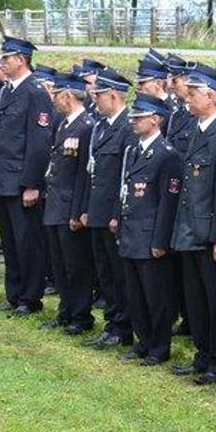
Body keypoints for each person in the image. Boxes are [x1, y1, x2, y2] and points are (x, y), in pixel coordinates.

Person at [169, 68, 216, 384]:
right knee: (197, 302)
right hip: (190, 231)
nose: (188, 96)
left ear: (211, 96)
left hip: (211, 235)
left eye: (194, 92)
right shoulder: (198, 130)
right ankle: (203, 354)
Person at [114, 93, 183, 365]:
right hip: (132, 232)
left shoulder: (167, 155)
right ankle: (144, 340)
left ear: (155, 120)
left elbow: (168, 202)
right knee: (136, 294)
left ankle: (159, 345)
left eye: (139, 117)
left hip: (150, 236)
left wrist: (160, 241)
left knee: (157, 296)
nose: (133, 121)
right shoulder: (134, 149)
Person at [0, 36, 53, 316]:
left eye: (6, 58)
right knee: (11, 243)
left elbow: (38, 143)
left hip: (20, 181)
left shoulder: (35, 92)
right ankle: (14, 294)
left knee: (28, 243)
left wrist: (32, 184)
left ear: (21, 60)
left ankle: (30, 297)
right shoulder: (6, 91)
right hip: (2, 179)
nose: (2, 63)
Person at [83, 70, 135, 349]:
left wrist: (117, 213)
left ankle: (123, 327)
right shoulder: (101, 126)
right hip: (97, 209)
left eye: (99, 95)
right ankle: (112, 321)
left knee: (118, 274)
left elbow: (126, 176)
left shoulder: (128, 127)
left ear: (114, 95)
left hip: (113, 213)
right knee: (105, 273)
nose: (95, 99)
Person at [42, 73, 97, 335]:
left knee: (77, 266)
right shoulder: (64, 124)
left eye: (56, 95)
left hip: (70, 207)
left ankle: (80, 315)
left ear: (67, 96)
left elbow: (84, 175)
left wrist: (78, 211)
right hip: (56, 203)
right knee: (60, 264)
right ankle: (66, 309)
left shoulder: (86, 126)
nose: (53, 100)